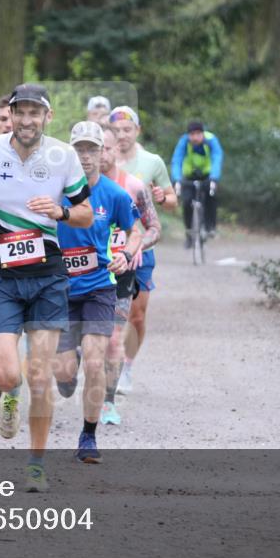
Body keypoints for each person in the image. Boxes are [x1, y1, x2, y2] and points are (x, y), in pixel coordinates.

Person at [0, 83, 93, 492]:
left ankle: (36, 464)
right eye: (21, 112)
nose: (27, 119)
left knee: (39, 375)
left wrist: (61, 211)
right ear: (12, 115)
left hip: (48, 277)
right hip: (1, 277)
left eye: (36, 112)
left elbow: (86, 213)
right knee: (5, 375)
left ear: (48, 117)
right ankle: (9, 392)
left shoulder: (63, 156)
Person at [52, 121, 141, 463]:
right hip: (59, 289)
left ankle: (88, 437)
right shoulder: (54, 190)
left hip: (99, 288)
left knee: (94, 361)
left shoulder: (114, 194)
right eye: (80, 149)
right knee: (64, 375)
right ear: (70, 152)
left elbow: (135, 232)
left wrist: (126, 255)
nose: (86, 156)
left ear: (102, 153)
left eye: (92, 149)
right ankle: (67, 367)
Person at [97, 127, 162, 425]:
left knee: (113, 338)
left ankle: (108, 403)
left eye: (106, 148)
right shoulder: (72, 187)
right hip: (82, 270)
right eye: (95, 148)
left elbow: (154, 227)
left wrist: (135, 247)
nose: (100, 154)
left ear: (116, 151)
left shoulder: (133, 186)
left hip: (121, 272)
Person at [108, 105, 175, 394]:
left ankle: (127, 366)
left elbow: (172, 200)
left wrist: (162, 197)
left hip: (140, 251)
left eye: (127, 129)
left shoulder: (152, 162)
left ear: (138, 131)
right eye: (116, 130)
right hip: (105, 250)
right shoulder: (101, 158)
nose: (122, 135)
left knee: (136, 315)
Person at [171, 120, 223, 246]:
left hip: (208, 175)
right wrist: (177, 179)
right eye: (192, 134)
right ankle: (189, 231)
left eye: (198, 134)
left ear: (203, 133)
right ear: (188, 135)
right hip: (189, 175)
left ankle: (210, 227)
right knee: (187, 201)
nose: (195, 137)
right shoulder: (184, 142)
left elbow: (217, 158)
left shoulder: (211, 140)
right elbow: (177, 160)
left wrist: (214, 178)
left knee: (211, 196)